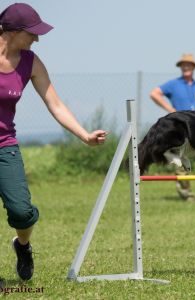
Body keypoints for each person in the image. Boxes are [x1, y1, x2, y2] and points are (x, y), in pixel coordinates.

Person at [0, 3, 107, 280]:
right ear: (13, 31)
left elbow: (55, 104)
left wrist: (84, 135)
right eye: (32, 33)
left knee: (22, 212)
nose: (36, 39)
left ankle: (22, 246)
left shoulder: (30, 62)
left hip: (4, 145)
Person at [150, 53, 195, 202]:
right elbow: (154, 93)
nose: (186, 67)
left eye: (189, 65)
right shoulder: (173, 84)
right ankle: (187, 196)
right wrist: (171, 111)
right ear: (180, 67)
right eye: (183, 65)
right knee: (181, 166)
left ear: (193, 67)